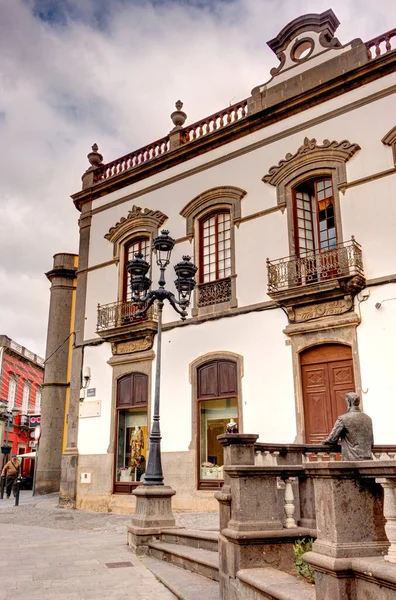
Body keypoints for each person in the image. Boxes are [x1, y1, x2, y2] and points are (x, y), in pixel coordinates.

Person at [322, 392, 373, 460]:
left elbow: (332, 440)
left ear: (349, 403)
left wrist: (323, 443)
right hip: (368, 461)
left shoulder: (343, 419)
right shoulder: (368, 419)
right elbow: (371, 443)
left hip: (351, 462)